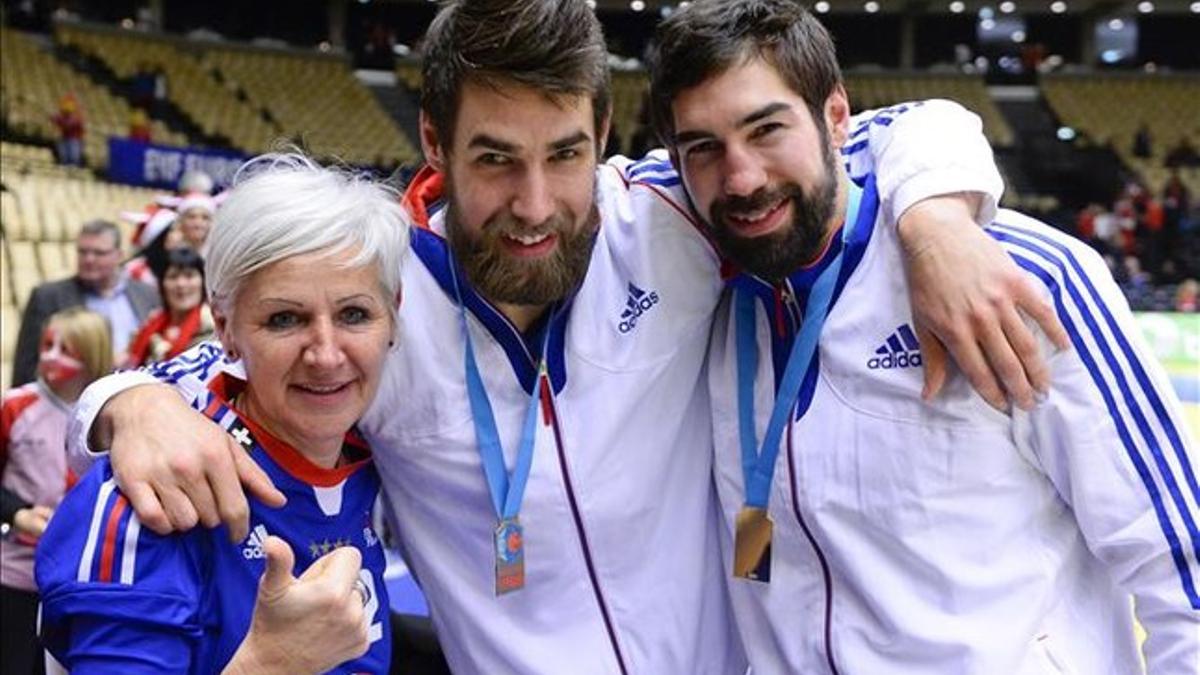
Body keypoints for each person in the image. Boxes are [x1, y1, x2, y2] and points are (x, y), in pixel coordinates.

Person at [68, 1, 1067, 672]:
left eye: (567, 155)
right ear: (433, 144)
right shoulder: (380, 302)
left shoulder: (667, 221)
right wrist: (129, 402)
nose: (536, 204)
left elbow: (874, 137)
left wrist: (934, 217)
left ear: (606, 139)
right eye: (495, 160)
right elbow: (248, 362)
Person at [649, 2, 1200, 672]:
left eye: (767, 130)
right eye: (703, 147)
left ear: (836, 118)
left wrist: (930, 216)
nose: (742, 178)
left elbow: (1180, 563)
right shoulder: (713, 290)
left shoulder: (1021, 278)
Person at [36, 153, 404, 673]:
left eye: (353, 314)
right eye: (284, 319)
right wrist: (272, 664)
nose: (325, 354)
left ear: (394, 313)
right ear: (226, 326)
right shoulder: (153, 493)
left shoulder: (372, 442)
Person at [1, 308, 111, 675]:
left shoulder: (111, 413)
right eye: (47, 344)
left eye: (67, 348)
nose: (51, 356)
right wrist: (17, 514)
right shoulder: (15, 405)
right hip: (15, 572)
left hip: (81, 577)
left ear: (92, 354)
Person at [11, 220, 159, 387]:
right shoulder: (48, 297)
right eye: (83, 252)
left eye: (99, 253)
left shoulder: (146, 294)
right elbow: (26, 370)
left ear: (119, 255)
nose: (89, 259)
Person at [124, 247, 215, 368]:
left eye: (189, 276)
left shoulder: (212, 325)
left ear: (203, 282)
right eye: (173, 277)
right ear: (161, 285)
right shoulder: (151, 323)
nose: (181, 284)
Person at [50, 93, 85, 167]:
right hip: (64, 138)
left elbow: (70, 124)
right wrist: (54, 118)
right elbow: (55, 119)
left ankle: (73, 167)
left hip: (75, 139)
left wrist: (58, 119)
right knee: (64, 156)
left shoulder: (77, 117)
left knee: (73, 157)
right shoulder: (62, 116)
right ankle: (65, 165)